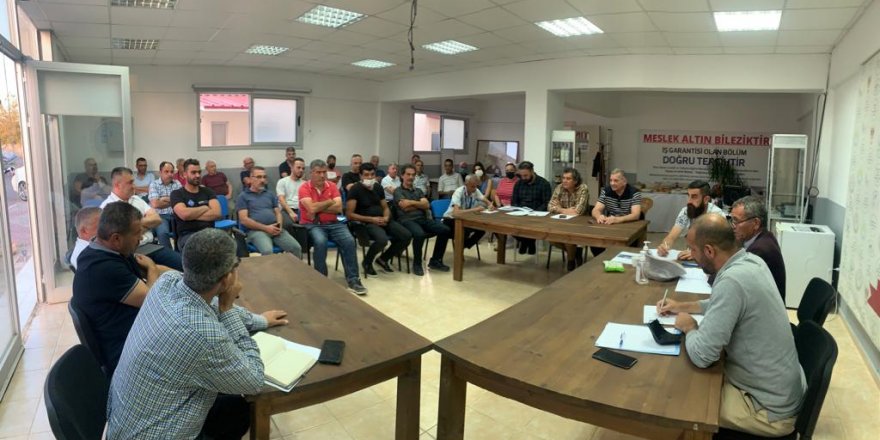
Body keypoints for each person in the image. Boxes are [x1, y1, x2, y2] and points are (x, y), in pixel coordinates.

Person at [107, 228, 289, 440]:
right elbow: (254, 381)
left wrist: (260, 321)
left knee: (235, 408)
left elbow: (211, 303)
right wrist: (228, 308)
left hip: (127, 422)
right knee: (240, 407)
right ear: (227, 279)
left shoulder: (166, 283)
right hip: (157, 434)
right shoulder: (204, 335)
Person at [658, 214, 804, 437]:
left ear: (709, 251)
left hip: (767, 410)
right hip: (780, 390)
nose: (691, 256)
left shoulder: (732, 281)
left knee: (683, 400)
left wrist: (689, 327)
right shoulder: (751, 261)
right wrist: (683, 306)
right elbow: (724, 303)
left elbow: (703, 356)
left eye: (693, 250)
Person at [72, 202, 173, 373]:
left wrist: (187, 277)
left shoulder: (113, 250)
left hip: (136, 332)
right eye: (137, 233)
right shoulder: (102, 267)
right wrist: (152, 269)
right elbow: (151, 300)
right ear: (116, 239)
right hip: (127, 353)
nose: (141, 238)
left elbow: (152, 268)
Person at [298, 159, 367, 295]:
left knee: (349, 241)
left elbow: (338, 208)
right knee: (320, 242)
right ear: (311, 173)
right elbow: (311, 209)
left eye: (324, 172)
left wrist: (318, 207)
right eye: (318, 172)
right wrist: (329, 202)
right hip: (314, 224)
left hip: (334, 223)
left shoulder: (332, 186)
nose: (322, 175)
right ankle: (321, 279)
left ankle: (353, 280)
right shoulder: (304, 188)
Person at [106, 167, 182, 270]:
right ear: (117, 185)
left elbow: (157, 219)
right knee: (164, 273)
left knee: (184, 264)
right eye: (130, 183)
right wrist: (145, 225)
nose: (134, 186)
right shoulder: (107, 207)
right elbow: (121, 237)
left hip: (150, 246)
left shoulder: (136, 199)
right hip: (130, 253)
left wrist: (132, 227)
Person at [346, 163, 412, 276]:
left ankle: (383, 259)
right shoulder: (355, 189)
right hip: (366, 222)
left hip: (383, 220)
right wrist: (372, 219)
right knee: (382, 240)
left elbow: (385, 207)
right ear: (360, 176)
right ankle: (367, 262)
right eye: (366, 175)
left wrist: (386, 217)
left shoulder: (377, 187)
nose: (370, 177)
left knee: (406, 236)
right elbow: (349, 214)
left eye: (372, 174)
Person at [394, 164, 451, 276]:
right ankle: (417, 264)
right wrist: (419, 204)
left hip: (422, 219)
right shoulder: (398, 191)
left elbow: (426, 205)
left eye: (413, 175)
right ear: (402, 176)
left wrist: (411, 203)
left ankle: (435, 260)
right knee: (419, 234)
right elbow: (404, 207)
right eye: (408, 174)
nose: (411, 177)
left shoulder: (418, 191)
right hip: (406, 220)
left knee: (445, 229)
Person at [236, 166, 302, 257]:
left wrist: (279, 226)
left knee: (296, 248)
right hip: (256, 231)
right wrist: (266, 228)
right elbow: (244, 220)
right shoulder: (243, 196)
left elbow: (278, 212)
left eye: (264, 177)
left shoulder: (270, 194)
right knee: (267, 251)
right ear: (251, 179)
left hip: (275, 229)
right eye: (259, 177)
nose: (262, 180)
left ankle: (293, 267)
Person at [729, 195, 786, 300]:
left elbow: (732, 282)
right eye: (732, 220)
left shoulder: (760, 250)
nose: (733, 226)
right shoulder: (765, 237)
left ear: (756, 223)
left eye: (736, 221)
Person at [657, 180, 724, 260]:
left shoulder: (717, 216)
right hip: (691, 258)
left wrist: (698, 253)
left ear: (706, 199)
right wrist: (665, 246)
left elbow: (721, 246)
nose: (689, 201)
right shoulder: (686, 211)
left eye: (694, 197)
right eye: (688, 196)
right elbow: (671, 236)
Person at [171, 159, 221, 251]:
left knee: (228, 245)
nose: (197, 175)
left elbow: (216, 213)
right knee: (205, 248)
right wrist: (205, 207)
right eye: (193, 172)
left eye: (199, 172)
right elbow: (184, 215)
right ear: (185, 174)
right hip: (187, 236)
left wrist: (191, 215)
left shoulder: (208, 191)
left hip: (209, 233)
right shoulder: (177, 194)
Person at [590, 169, 642, 256]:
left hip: (628, 225)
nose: (612, 183)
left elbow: (636, 215)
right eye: (610, 180)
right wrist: (599, 216)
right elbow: (595, 210)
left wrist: (618, 219)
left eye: (616, 181)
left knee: (628, 247)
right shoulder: (606, 191)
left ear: (624, 182)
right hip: (611, 225)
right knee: (595, 242)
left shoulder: (634, 192)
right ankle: (602, 260)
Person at [548, 167, 590, 271]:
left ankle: (571, 260)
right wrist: (566, 210)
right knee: (550, 238)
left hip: (580, 224)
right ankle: (575, 253)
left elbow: (578, 212)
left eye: (568, 178)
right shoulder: (559, 187)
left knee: (567, 237)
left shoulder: (583, 188)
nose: (564, 181)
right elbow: (550, 207)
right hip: (562, 222)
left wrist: (559, 209)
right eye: (563, 178)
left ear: (575, 181)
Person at [511, 161, 551, 255]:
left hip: (536, 215)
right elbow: (514, 201)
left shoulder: (544, 183)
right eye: (521, 176)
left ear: (532, 171)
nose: (523, 178)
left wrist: (535, 212)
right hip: (521, 214)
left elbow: (547, 203)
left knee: (531, 226)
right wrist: (518, 209)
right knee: (509, 227)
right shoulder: (519, 183)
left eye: (526, 175)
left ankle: (526, 242)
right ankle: (529, 242)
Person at [443, 174, 492, 250]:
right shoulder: (459, 192)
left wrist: (490, 204)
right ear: (466, 184)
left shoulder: (475, 190)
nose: (474, 189)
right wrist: (474, 210)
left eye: (476, 186)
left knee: (481, 230)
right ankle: (459, 249)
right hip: (450, 219)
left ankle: (463, 246)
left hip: (463, 219)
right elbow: (456, 213)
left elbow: (484, 199)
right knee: (466, 230)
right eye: (472, 186)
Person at [148, 161, 182, 250]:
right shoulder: (154, 184)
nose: (170, 174)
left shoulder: (177, 183)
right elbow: (155, 204)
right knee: (163, 233)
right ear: (160, 172)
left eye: (172, 172)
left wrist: (163, 199)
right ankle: (169, 253)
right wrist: (174, 200)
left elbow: (182, 200)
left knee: (186, 230)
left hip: (176, 214)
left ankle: (180, 252)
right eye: (166, 171)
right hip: (160, 216)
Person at [276, 157, 306, 237]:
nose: (301, 170)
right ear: (292, 168)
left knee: (308, 225)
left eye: (303, 168)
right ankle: (292, 244)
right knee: (288, 224)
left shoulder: (305, 184)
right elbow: (281, 199)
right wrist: (290, 212)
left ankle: (304, 244)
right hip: (286, 209)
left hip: (301, 209)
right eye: (298, 167)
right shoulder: (282, 181)